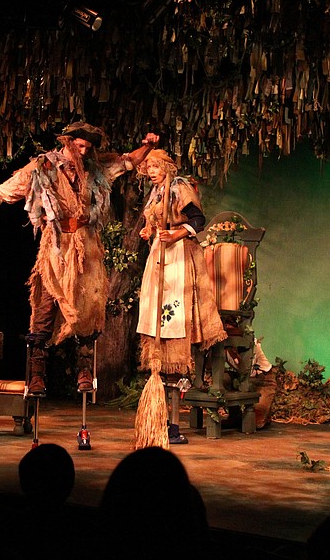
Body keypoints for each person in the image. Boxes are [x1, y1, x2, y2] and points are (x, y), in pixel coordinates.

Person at [0, 122, 159, 394]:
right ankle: (38, 374)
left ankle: (84, 369)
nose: (83, 151)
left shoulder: (95, 171)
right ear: (67, 142)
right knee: (45, 307)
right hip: (55, 248)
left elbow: (128, 163)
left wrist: (148, 145)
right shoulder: (42, 168)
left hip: (86, 247)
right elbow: (1, 193)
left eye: (88, 147)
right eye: (79, 145)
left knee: (88, 308)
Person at [133, 149, 227, 446]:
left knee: (173, 317)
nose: (150, 170)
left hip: (178, 259)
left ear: (166, 166)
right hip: (158, 258)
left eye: (154, 165)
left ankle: (174, 423)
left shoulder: (179, 187)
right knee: (154, 317)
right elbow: (153, 221)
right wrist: (149, 231)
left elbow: (198, 219)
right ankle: (158, 416)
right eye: (147, 166)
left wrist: (176, 234)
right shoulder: (156, 192)